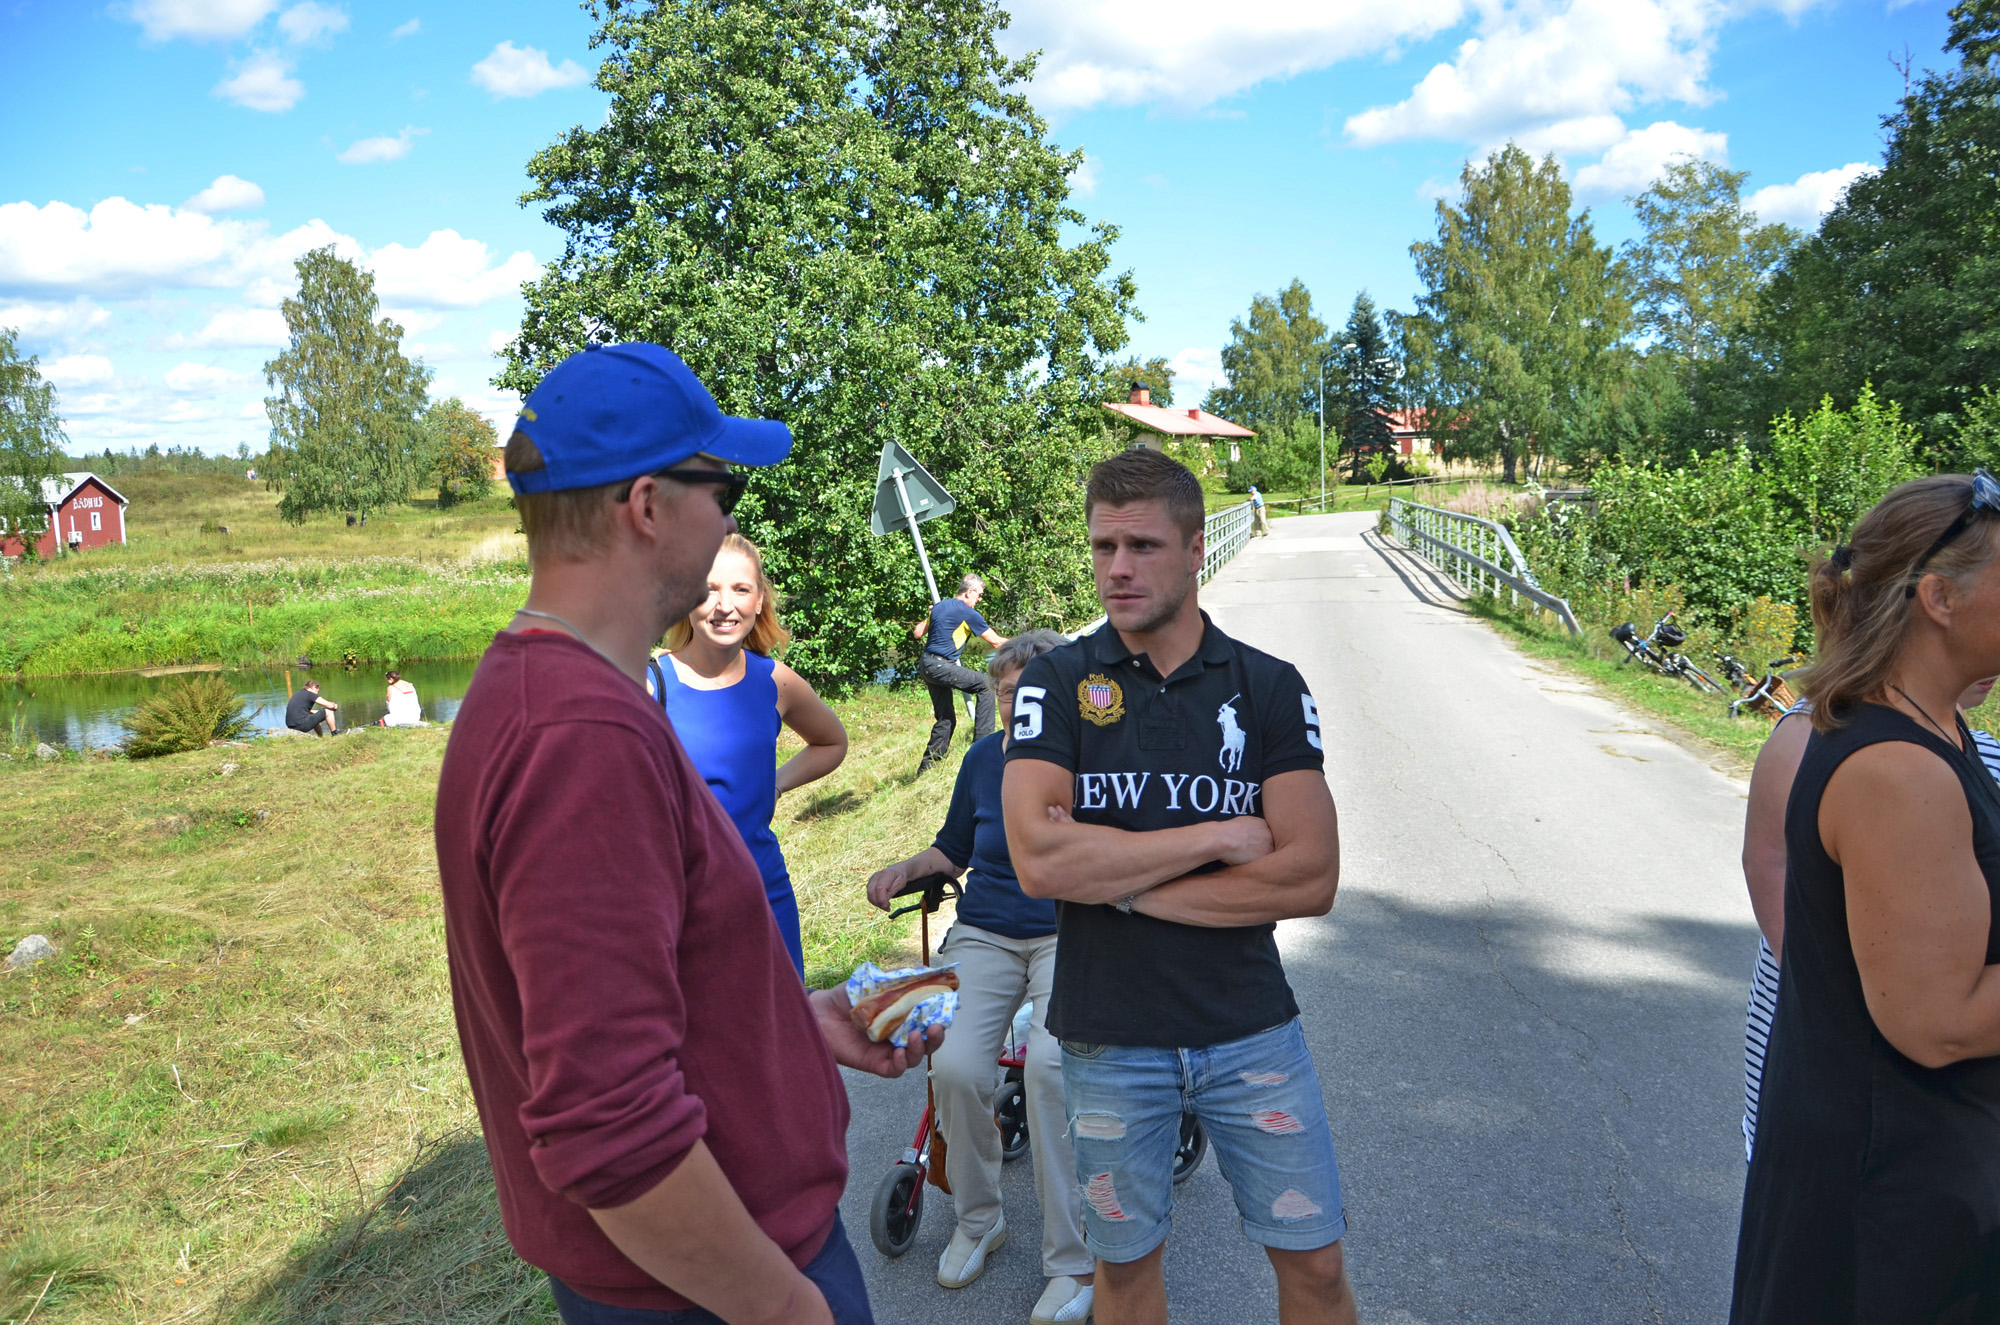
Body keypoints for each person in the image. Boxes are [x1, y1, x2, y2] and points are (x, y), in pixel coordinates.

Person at [433, 342, 939, 1325]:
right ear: (648, 505)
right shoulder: (583, 738)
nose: (728, 519)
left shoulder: (538, 692)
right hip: (706, 1286)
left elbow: (636, 1000)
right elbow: (606, 1127)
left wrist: (798, 1016)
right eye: (721, 485)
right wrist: (787, 1307)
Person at [1002, 447, 1358, 1325]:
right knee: (1123, 1277)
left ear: (1197, 547)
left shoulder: (1268, 686)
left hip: (1250, 1031)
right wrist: (1214, 838)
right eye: (1101, 546)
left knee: (1315, 1268)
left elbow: (1310, 874)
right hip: (1109, 1040)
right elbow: (1041, 861)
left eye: (1143, 545)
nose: (1117, 568)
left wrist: (1122, 881)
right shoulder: (1054, 682)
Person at [1731, 472, 2000, 1323]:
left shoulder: (1930, 732)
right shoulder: (1897, 770)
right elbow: (1937, 1020)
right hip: (1888, 1208)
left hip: (1905, 1180)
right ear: (1939, 598)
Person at [865, 628, 1093, 1325]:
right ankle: (979, 1218)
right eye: (1003, 693)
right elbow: (954, 847)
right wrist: (908, 867)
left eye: (1030, 693)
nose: (1015, 705)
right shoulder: (980, 759)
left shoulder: (1093, 758)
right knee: (957, 1065)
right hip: (988, 929)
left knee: (1052, 1069)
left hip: (1070, 935)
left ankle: (1073, 1261)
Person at [1738, 677, 1997, 1161]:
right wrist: (1827, 991)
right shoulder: (1817, 728)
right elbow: (1769, 863)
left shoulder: (1976, 747)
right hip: (1831, 1050)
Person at [648, 533, 848, 977]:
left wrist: (775, 782)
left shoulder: (775, 680)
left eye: (740, 589)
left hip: (764, 894)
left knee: (779, 1034)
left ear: (759, 601)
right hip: (677, 907)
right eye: (709, 589)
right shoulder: (649, 683)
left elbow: (832, 742)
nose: (725, 605)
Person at [915, 573, 1009, 773]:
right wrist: (1027, 643)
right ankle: (982, 747)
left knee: (946, 717)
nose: (980, 599)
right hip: (940, 665)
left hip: (926, 664)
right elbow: (996, 642)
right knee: (986, 684)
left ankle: (928, 767)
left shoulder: (939, 606)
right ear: (968, 593)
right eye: (979, 595)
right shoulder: (968, 612)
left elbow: (917, 632)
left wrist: (932, 615)